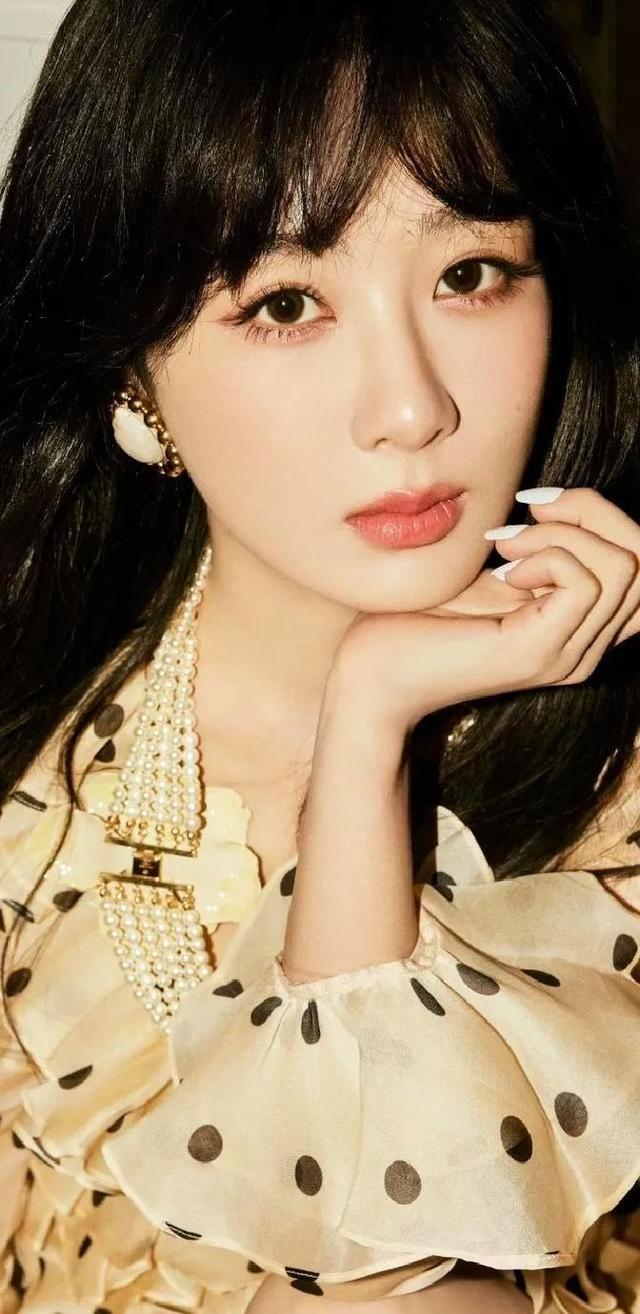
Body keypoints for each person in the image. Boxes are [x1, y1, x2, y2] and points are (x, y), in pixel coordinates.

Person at [1, 0, 639, 1311]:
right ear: (133, 378)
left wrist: (368, 730)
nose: (412, 407)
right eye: (288, 302)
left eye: (471, 274)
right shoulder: (32, 814)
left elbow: (406, 1265)